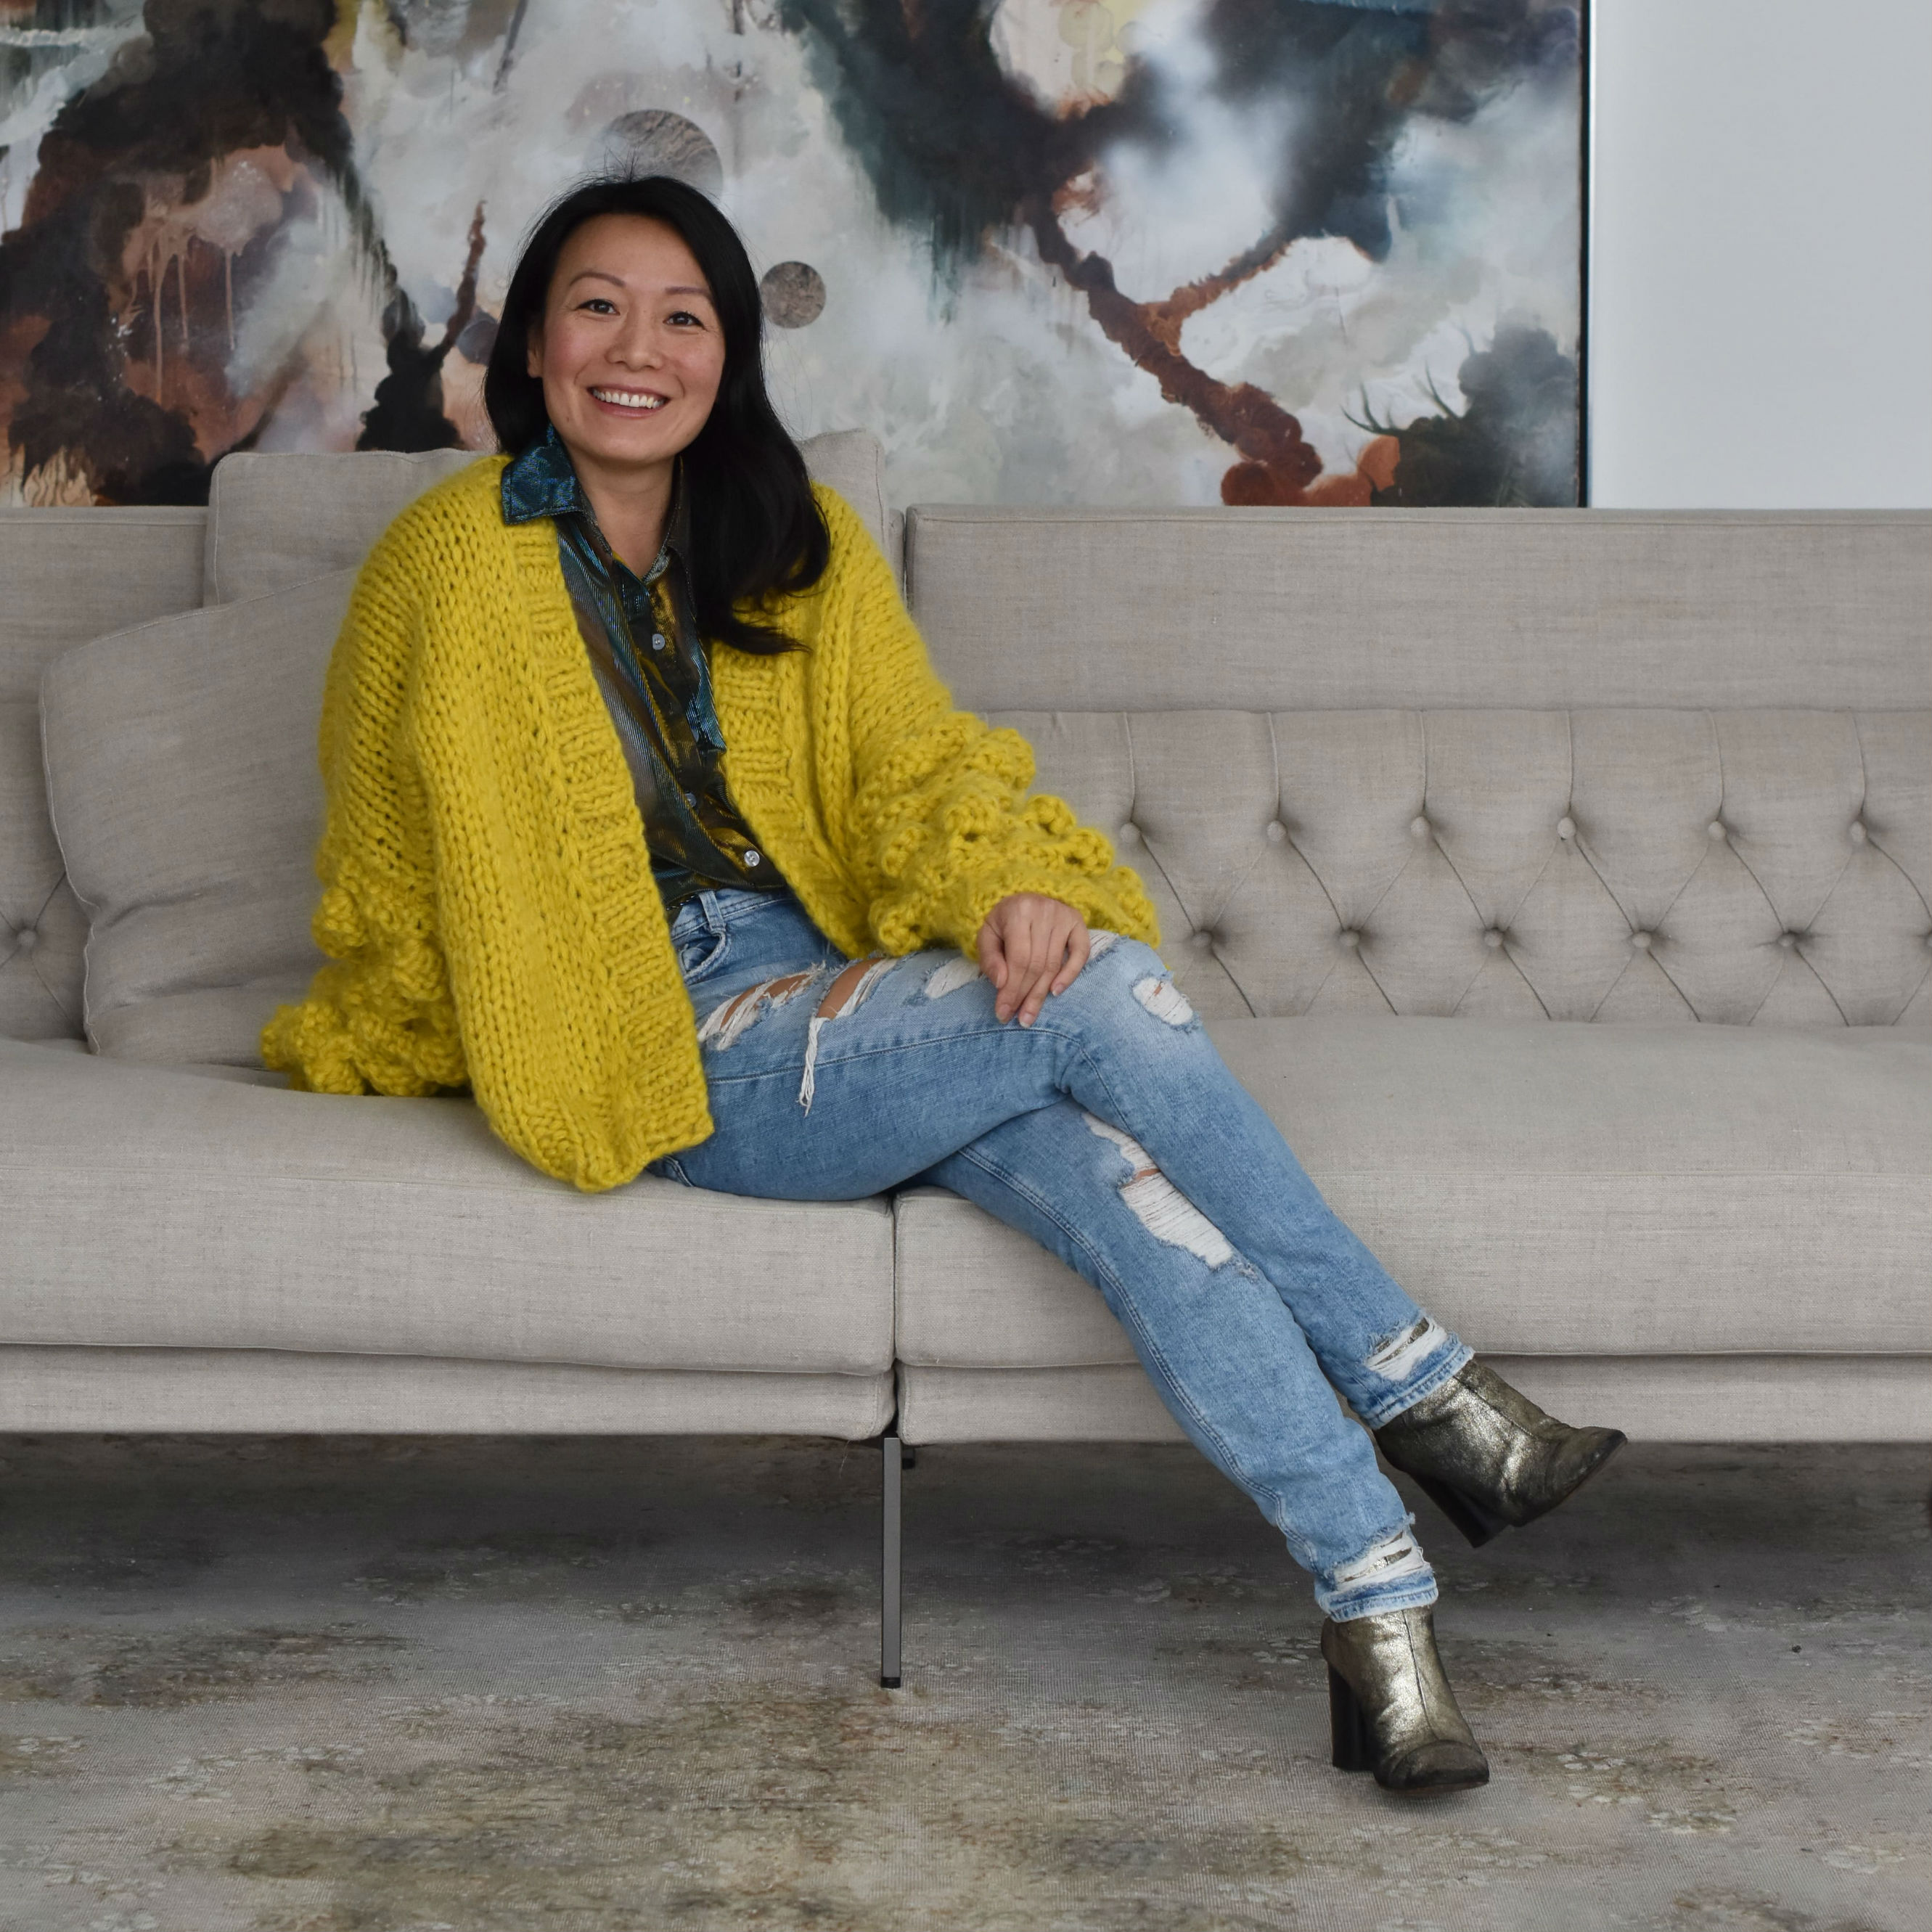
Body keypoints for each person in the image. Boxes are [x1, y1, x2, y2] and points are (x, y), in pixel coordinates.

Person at [264, 174, 1624, 1796]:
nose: (638, 350)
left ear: (728, 352)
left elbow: (909, 766)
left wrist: (1001, 893)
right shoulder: (445, 564)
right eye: (597, 307)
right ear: (536, 344)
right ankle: (1429, 1389)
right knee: (1109, 996)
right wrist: (450, 1024)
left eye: (682, 316)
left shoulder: (798, 538)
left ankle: (1378, 1612)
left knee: (1131, 1192)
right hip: (659, 1027)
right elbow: (388, 844)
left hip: (853, 997)